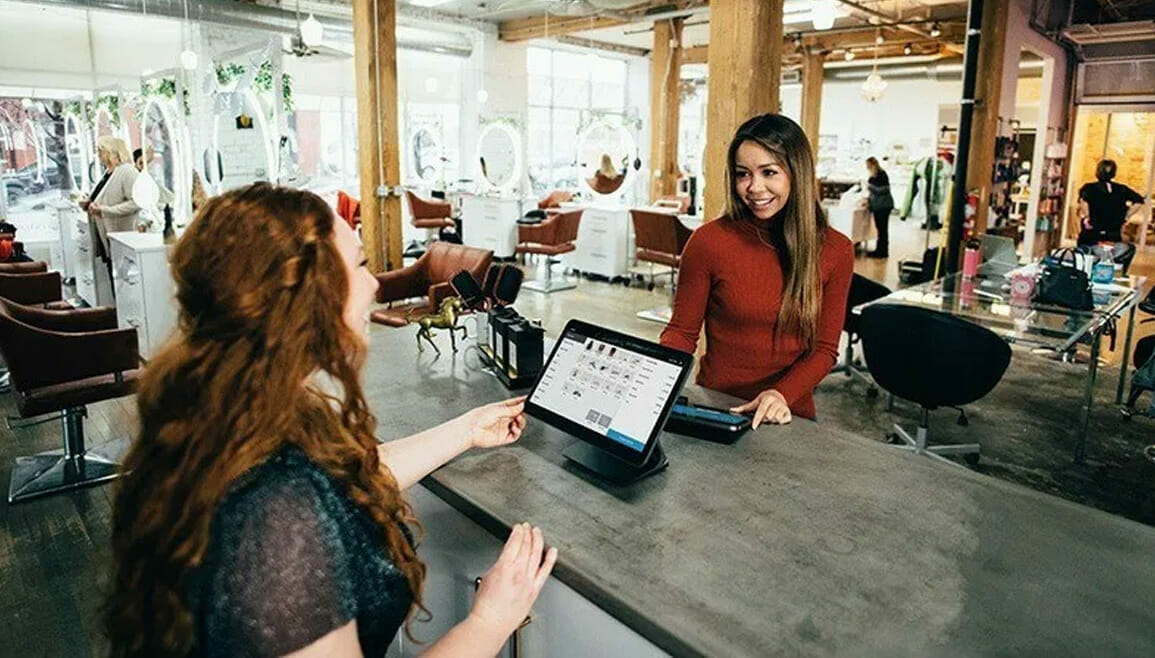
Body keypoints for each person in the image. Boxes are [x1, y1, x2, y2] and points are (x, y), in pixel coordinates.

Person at [105, 183, 557, 658]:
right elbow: (302, 493)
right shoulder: (275, 518)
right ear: (304, 295)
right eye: (360, 265)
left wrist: (466, 430)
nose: (374, 284)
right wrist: (490, 621)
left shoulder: (227, 409)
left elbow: (345, 478)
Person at [661, 114, 853, 426]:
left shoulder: (835, 250)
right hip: (717, 408)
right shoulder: (709, 242)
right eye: (742, 174)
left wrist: (780, 394)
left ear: (797, 173)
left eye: (769, 172)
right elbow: (682, 333)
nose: (754, 187)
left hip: (788, 414)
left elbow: (825, 350)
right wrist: (654, 378)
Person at [88, 136, 140, 264]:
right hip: (105, 230)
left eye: (101, 151)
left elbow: (136, 202)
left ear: (112, 151)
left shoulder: (127, 171)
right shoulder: (108, 172)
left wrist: (106, 210)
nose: (98, 154)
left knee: (120, 273)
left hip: (121, 232)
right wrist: (89, 202)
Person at [1077, 159, 1145, 246]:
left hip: (1093, 231)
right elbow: (1139, 201)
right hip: (1113, 232)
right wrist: (1126, 216)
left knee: (1087, 254)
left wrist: (1087, 217)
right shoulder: (1121, 189)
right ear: (1114, 173)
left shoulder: (1089, 188)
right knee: (1112, 255)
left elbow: (1083, 202)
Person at [865, 157, 895, 258]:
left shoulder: (881, 175)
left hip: (883, 206)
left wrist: (870, 187)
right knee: (880, 229)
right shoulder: (873, 176)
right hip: (878, 206)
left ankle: (882, 252)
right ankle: (880, 250)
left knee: (882, 229)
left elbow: (884, 190)